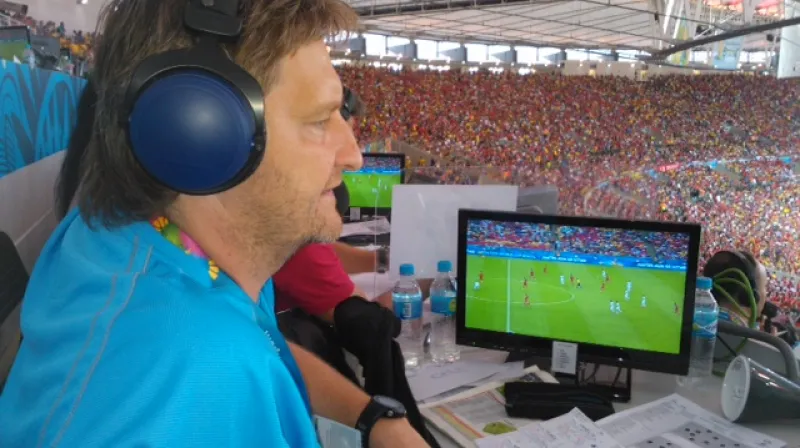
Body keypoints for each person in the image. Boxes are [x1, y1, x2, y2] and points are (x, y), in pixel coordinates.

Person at [0, 1, 428, 447]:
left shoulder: (139, 234)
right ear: (201, 130)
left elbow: (261, 343)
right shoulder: (174, 388)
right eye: (320, 121)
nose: (353, 155)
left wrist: (370, 417)